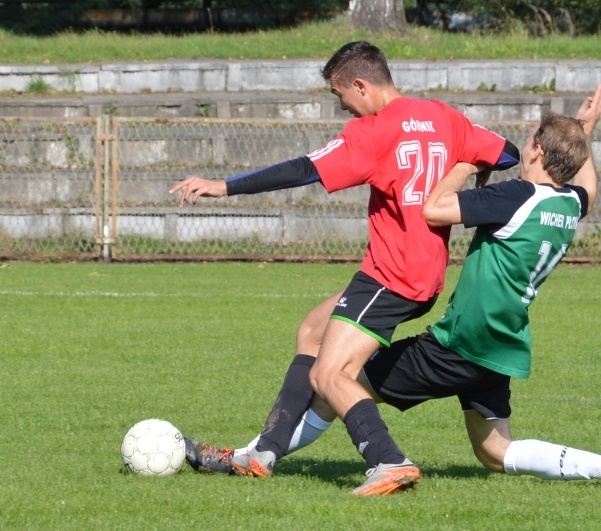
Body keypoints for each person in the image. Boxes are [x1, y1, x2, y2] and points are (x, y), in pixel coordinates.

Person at [185, 85, 601, 491]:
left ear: (538, 152)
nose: (524, 147)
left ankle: (275, 457)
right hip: (502, 346)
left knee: (335, 382)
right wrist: (584, 132)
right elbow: (589, 187)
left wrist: (459, 162)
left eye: (530, 142)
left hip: (459, 343)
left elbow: (433, 209)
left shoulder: (515, 195)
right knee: (495, 451)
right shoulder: (567, 205)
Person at [169, 40, 520, 495]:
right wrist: (469, 163)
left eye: (341, 96)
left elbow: (304, 168)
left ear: (361, 84)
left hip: (391, 275)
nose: (344, 108)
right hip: (423, 274)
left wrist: (224, 186)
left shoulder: (373, 131)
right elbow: (508, 152)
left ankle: (388, 460)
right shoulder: (443, 117)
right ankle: (264, 452)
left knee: (329, 374)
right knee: (313, 331)